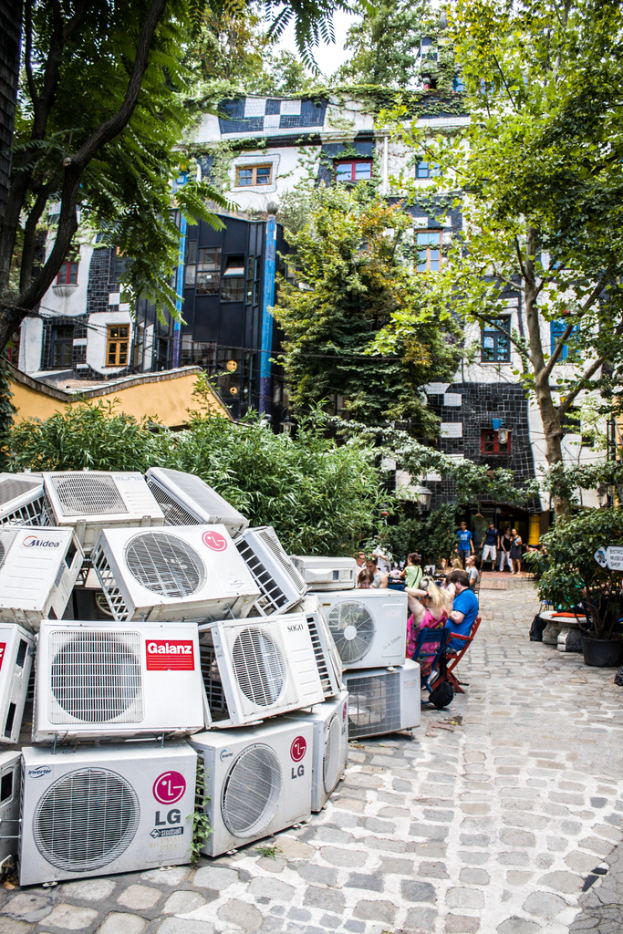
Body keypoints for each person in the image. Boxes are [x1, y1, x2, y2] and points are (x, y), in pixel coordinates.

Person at [405, 577, 452, 676]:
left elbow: (406, 590)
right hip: (429, 660)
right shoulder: (445, 612)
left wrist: (426, 594)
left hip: (412, 659)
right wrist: (435, 594)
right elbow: (451, 590)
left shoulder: (421, 613)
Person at [446, 569, 479, 649]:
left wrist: (443, 609)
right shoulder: (463, 594)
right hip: (451, 637)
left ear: (458, 582)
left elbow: (458, 618)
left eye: (451, 584)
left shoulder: (466, 595)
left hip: (453, 639)